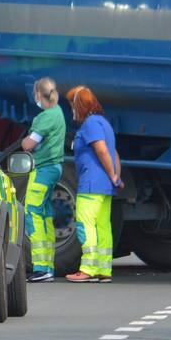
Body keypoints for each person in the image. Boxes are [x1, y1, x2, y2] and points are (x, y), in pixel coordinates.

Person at [64, 85, 122, 283]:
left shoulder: (90, 124)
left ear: (79, 105)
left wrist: (112, 175)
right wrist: (115, 176)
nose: (71, 109)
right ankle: (103, 269)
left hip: (91, 184)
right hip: (105, 186)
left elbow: (102, 151)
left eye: (72, 104)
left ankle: (87, 268)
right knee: (102, 226)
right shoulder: (104, 123)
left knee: (85, 224)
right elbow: (114, 153)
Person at [21, 78, 66, 282]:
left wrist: (24, 140)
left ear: (39, 94)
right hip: (54, 168)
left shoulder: (46, 117)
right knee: (46, 214)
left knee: (32, 211)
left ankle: (41, 267)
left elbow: (29, 145)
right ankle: (47, 266)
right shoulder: (58, 113)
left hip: (43, 169)